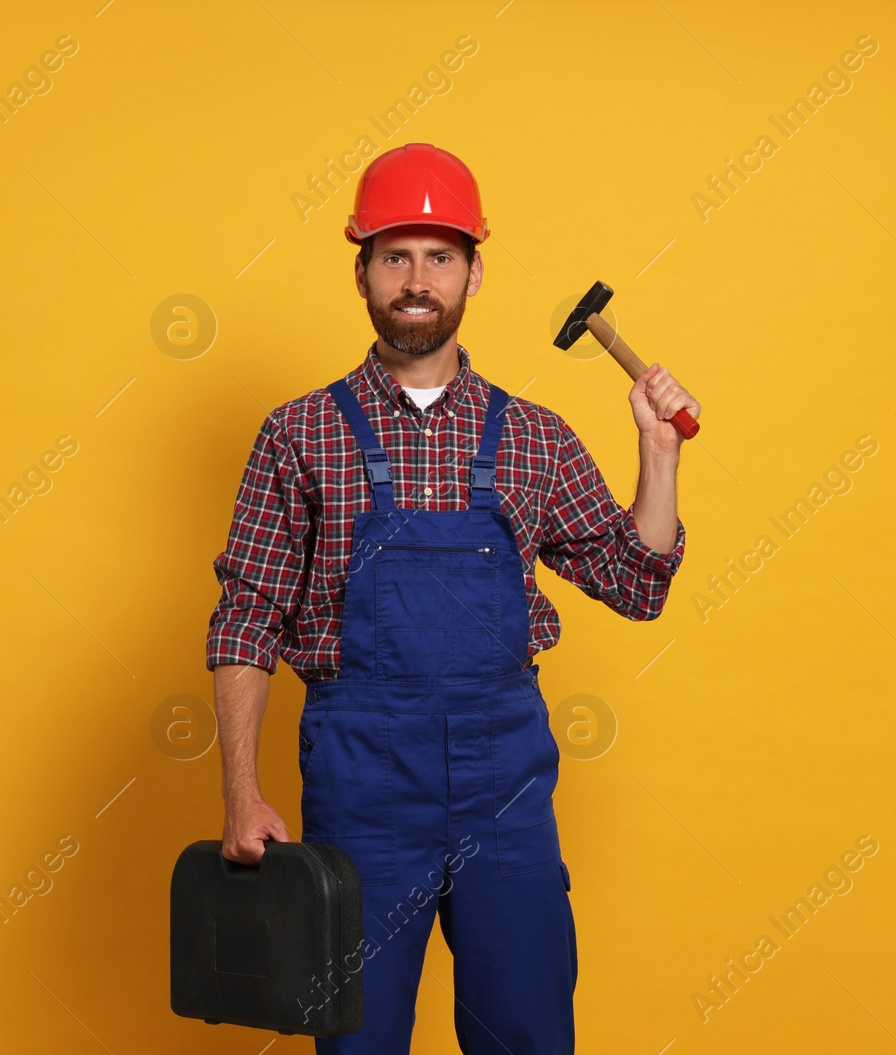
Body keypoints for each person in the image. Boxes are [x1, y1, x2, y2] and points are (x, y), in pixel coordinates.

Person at [206, 142, 698, 1054]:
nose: (418, 278)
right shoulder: (299, 433)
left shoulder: (534, 438)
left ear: (474, 271)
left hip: (502, 794)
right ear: (361, 272)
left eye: (440, 255)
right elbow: (246, 619)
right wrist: (242, 794)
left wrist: (659, 457)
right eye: (396, 254)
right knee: (357, 1038)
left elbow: (636, 583)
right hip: (363, 793)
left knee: (528, 1034)